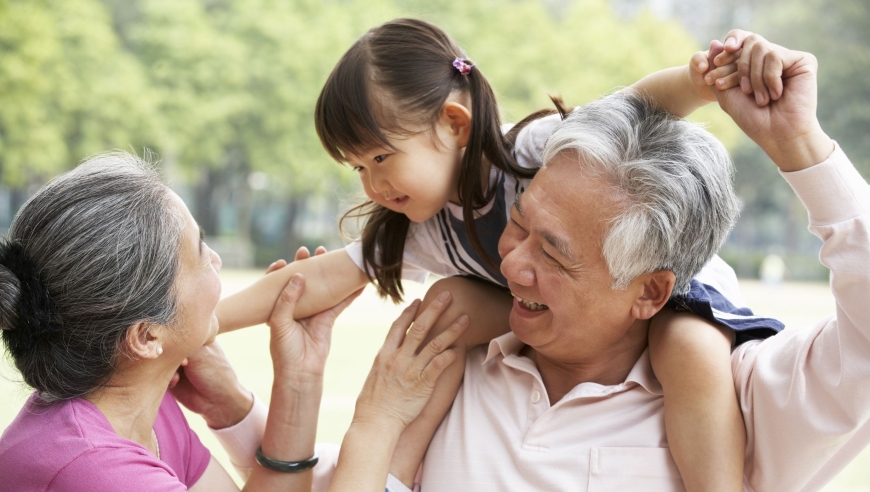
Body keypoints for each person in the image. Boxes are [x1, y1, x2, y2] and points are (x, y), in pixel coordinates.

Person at [213, 19, 784, 490]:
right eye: (357, 168)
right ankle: (395, 469)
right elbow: (314, 280)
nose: (370, 184)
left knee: (686, 346)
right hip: (560, 300)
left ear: (454, 123)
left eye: (381, 159)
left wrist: (702, 81)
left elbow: (636, 106)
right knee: (447, 307)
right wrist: (201, 322)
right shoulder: (426, 228)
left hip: (670, 284)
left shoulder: (529, 150)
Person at [0, 153, 466, 491]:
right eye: (200, 252)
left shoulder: (136, 404)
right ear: (145, 336)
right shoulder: (94, 469)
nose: (218, 260)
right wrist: (380, 421)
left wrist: (298, 379)